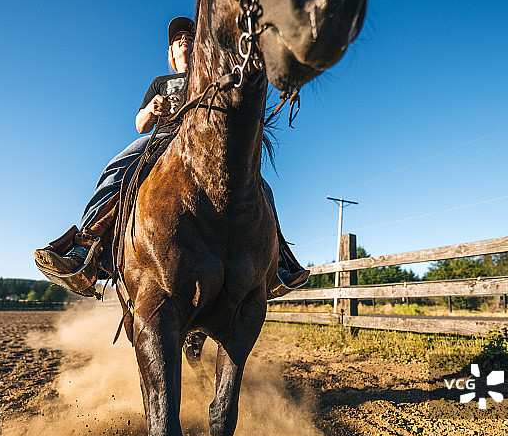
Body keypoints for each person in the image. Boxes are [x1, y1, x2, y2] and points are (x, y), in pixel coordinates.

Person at [34, 16, 309, 297]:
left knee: (261, 186)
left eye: (190, 37)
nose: (184, 41)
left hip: (210, 144)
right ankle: (85, 250)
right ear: (171, 54)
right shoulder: (161, 82)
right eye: (178, 40)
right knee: (118, 168)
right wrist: (152, 109)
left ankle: (278, 263)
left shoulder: (216, 75)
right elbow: (140, 125)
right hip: (164, 140)